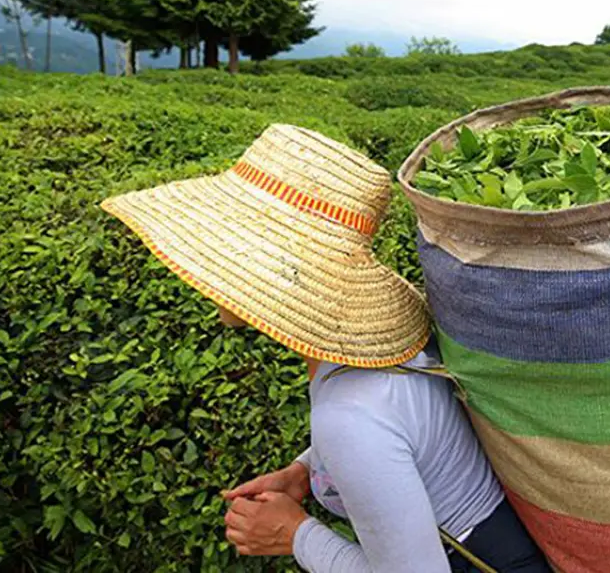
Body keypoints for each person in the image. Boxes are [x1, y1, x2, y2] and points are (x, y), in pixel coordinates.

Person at [100, 124, 550, 573]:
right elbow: (404, 435)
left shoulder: (349, 417)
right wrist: (304, 473)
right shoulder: (367, 357)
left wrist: (294, 534)